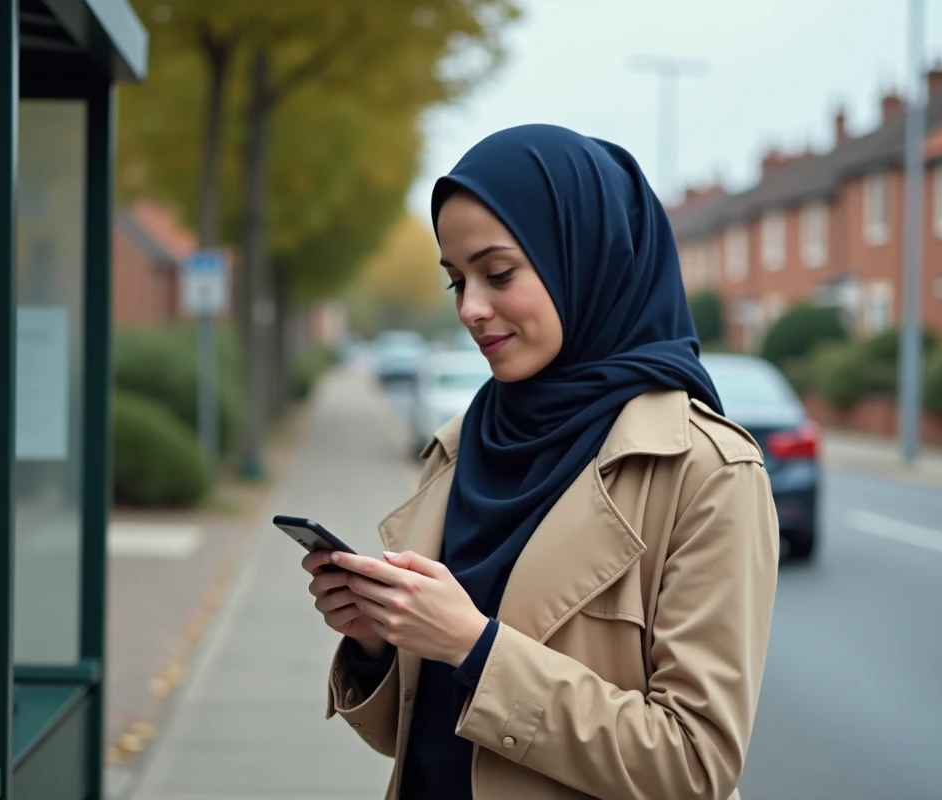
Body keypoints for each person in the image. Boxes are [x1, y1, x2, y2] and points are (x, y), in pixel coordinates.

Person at [302, 123, 779, 800]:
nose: (471, 308)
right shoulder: (464, 445)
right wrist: (376, 645)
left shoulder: (704, 472)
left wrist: (475, 647)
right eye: (456, 281)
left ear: (583, 258)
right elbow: (424, 738)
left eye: (498, 273)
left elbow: (694, 765)